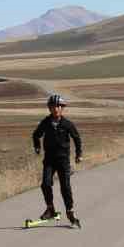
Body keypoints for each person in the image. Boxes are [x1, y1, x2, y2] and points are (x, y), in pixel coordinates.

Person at [32, 93, 83, 224]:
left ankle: (70, 211)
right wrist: (37, 147)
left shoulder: (67, 124)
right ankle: (50, 209)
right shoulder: (46, 122)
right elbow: (36, 135)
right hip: (49, 160)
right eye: (53, 106)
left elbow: (76, 138)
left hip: (63, 160)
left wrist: (79, 154)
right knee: (45, 184)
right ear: (49, 108)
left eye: (59, 106)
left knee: (65, 186)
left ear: (62, 108)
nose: (56, 109)